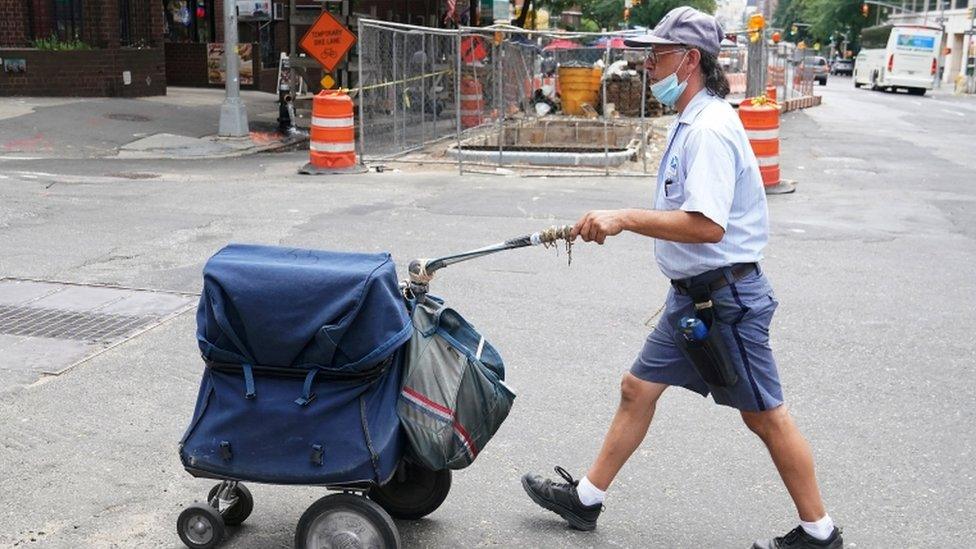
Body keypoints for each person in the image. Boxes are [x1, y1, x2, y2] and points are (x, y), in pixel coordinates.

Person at [520, 7, 844, 549]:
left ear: (690, 60)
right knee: (636, 389)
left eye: (659, 54)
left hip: (726, 301)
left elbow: (708, 225)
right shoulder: (692, 120)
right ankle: (586, 501)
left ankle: (820, 532)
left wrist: (623, 218)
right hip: (692, 301)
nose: (649, 65)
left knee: (766, 418)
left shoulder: (711, 130)